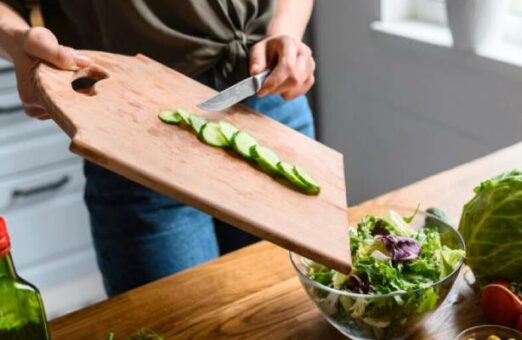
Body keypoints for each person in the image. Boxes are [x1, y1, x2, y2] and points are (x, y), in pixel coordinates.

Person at [0, 0, 316, 296]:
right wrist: (16, 41)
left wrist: (286, 31)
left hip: (267, 89)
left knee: (299, 312)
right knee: (178, 337)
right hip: (134, 125)